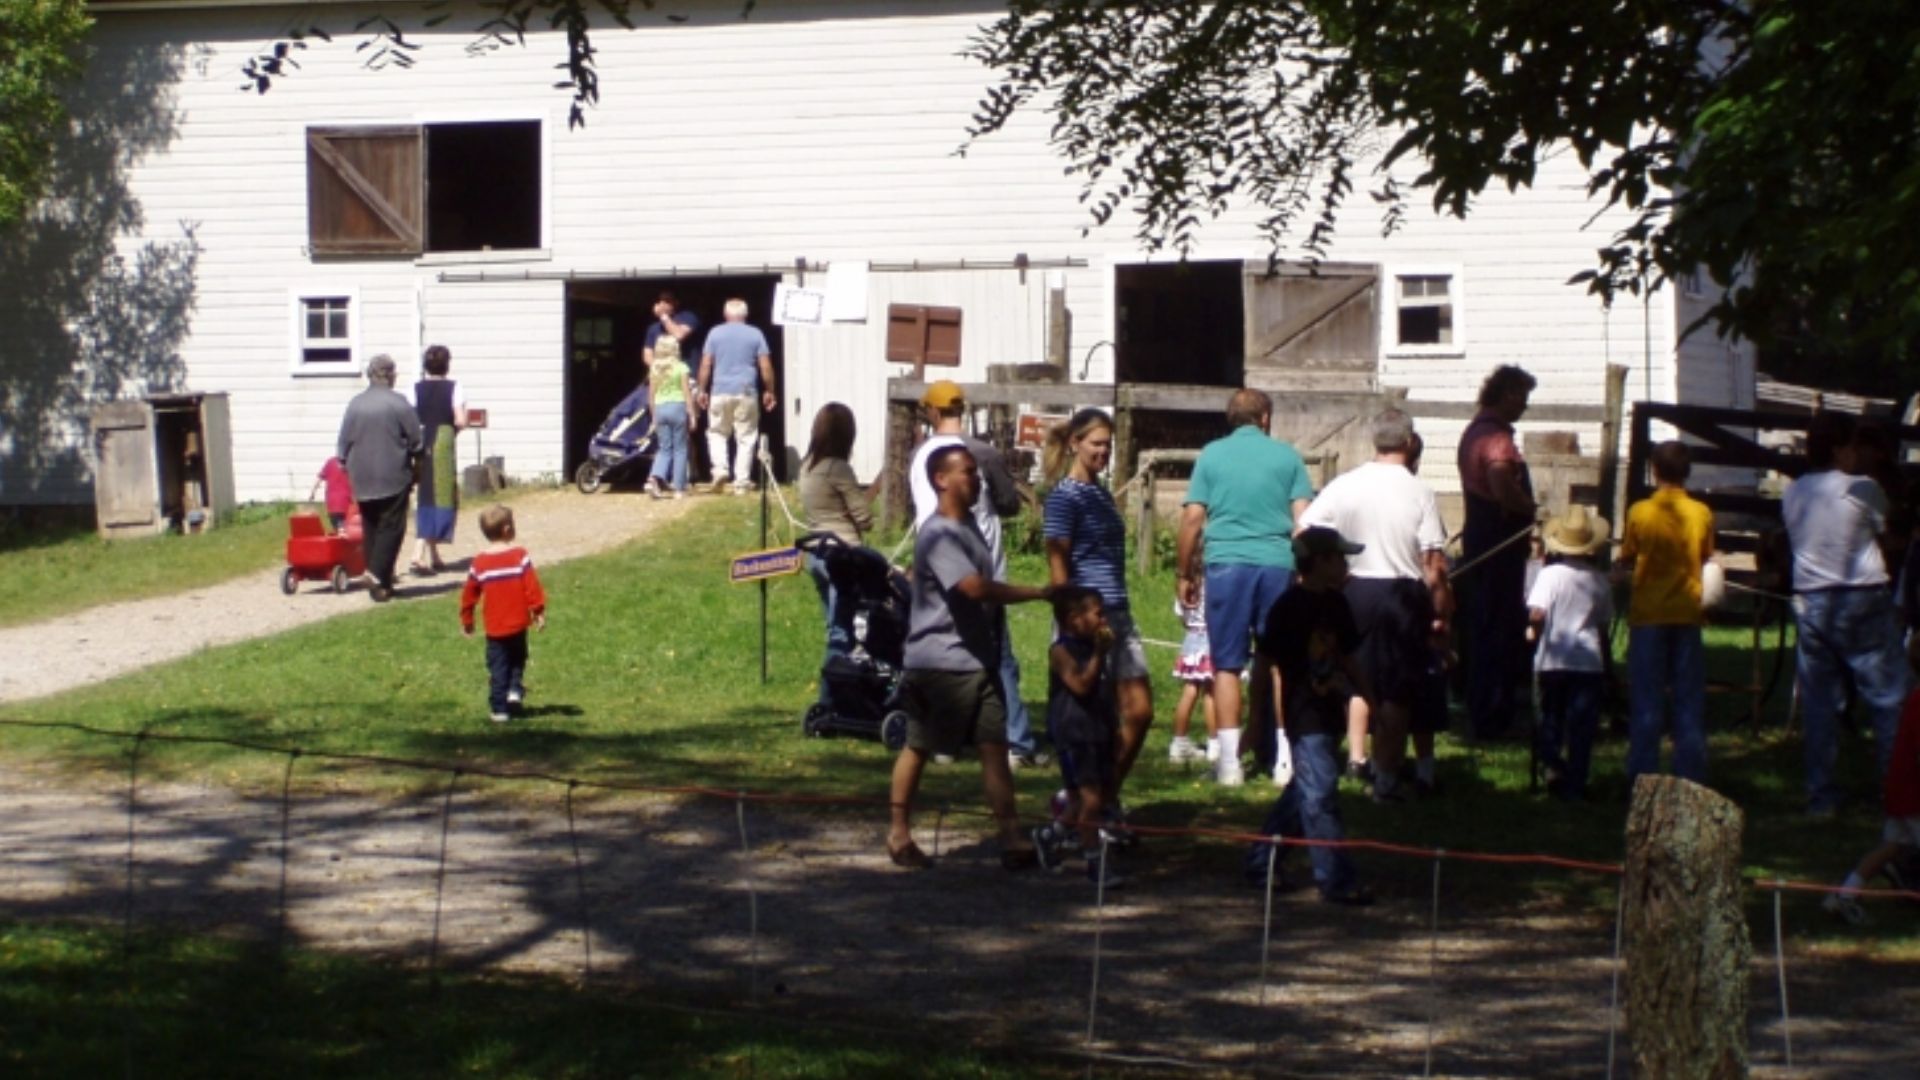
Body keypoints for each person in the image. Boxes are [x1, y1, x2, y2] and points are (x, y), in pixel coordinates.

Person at [886, 444, 1052, 871]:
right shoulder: (938, 533)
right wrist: (1038, 593)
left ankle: (1011, 835)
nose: (975, 479)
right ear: (941, 479)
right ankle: (898, 831)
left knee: (995, 748)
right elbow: (973, 588)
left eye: (976, 473)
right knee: (918, 747)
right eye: (966, 472)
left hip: (979, 660)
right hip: (938, 664)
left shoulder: (971, 527)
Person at [1297, 408, 1452, 801]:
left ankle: (1354, 757)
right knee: (1397, 690)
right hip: (1402, 593)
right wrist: (1441, 610)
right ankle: (1385, 777)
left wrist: (1330, 568)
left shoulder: (1345, 483)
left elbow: (1304, 529)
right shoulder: (1419, 490)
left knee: (1355, 678)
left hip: (1354, 588)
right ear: (1409, 441)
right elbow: (1432, 560)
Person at [1175, 388, 1315, 786]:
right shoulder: (1287, 456)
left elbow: (1192, 519)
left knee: (1227, 664)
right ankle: (1286, 758)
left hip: (1226, 565)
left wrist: (1184, 572)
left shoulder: (1212, 455)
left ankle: (1230, 764)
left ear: (1229, 419)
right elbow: (1304, 520)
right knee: (1281, 662)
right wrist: (1305, 568)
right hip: (1277, 563)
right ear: (1266, 418)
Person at [908, 380, 1044, 768]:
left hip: (934, 563)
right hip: (980, 566)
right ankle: (1016, 740)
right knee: (997, 656)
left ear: (932, 413)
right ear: (961, 410)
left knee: (947, 651)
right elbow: (1009, 502)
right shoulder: (980, 452)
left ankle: (945, 738)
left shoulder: (919, 457)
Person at [1784, 414, 1911, 817]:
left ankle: (1821, 795)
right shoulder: (1863, 488)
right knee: (1888, 697)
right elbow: (1886, 534)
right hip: (1860, 594)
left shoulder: (1794, 491)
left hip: (1810, 599)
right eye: (1852, 446)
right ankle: (1896, 792)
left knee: (1820, 703)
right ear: (1840, 449)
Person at [1244, 526, 1374, 906]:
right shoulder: (1288, 608)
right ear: (1319, 562)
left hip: (1330, 711)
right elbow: (1264, 663)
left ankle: (1260, 861)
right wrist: (1257, 721)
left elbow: (1349, 658)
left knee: (1305, 791)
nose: (1346, 564)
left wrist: (1370, 696)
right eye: (1339, 557)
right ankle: (1336, 878)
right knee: (1320, 797)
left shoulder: (1337, 604)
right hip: (1304, 714)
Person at [1043, 408, 1153, 788]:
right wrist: (1071, 624)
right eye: (1096, 444)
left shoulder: (1101, 494)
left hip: (1117, 612)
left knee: (1139, 712)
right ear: (1075, 443)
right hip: (1084, 618)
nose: (1103, 452)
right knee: (1091, 720)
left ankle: (1103, 797)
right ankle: (1086, 805)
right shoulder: (1063, 498)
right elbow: (1058, 561)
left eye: (1108, 445)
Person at [1614, 441, 1714, 786]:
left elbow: (1628, 554)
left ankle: (1642, 777)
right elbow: (1705, 554)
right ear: (1687, 471)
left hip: (1649, 613)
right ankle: (1691, 776)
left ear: (1654, 470)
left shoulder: (1640, 512)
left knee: (1646, 699)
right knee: (1688, 699)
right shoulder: (1700, 512)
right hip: (1686, 610)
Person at [1457, 365, 1540, 740]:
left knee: (1482, 625)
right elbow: (1501, 485)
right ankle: (1495, 715)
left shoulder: (1476, 431)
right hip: (1498, 543)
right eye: (1522, 398)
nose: (1524, 406)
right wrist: (1530, 509)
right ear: (1507, 394)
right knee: (1499, 629)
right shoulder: (1497, 440)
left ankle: (1482, 710)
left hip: (1480, 539)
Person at [1032, 585, 1127, 889]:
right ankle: (1095, 863)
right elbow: (1081, 686)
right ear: (1074, 618)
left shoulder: (1094, 647)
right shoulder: (1061, 651)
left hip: (1098, 729)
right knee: (1090, 799)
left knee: (1086, 799)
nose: (1104, 621)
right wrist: (1099, 654)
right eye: (1098, 614)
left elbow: (1104, 690)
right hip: (1075, 732)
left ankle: (1049, 836)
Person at [1822, 635, 1920, 925]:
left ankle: (1845, 893)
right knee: (1895, 844)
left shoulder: (1913, 699)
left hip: (1899, 790)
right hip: (1915, 795)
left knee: (1892, 845)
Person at [1528, 505, 1614, 801]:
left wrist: (1534, 633)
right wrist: (1609, 664)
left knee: (1551, 716)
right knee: (1582, 725)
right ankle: (1576, 780)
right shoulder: (1599, 580)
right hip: (1588, 661)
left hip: (1553, 658)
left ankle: (1553, 767)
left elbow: (1537, 613)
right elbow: (1602, 627)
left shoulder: (1549, 576)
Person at [798, 403, 874, 703]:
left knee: (834, 624)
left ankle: (845, 688)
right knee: (844, 630)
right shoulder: (838, 468)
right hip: (844, 555)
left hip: (816, 552)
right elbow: (864, 518)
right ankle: (830, 699)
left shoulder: (807, 467)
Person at [336, 354, 422, 603]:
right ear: (389, 375)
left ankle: (381, 588)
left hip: (360, 476)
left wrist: (344, 465)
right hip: (392, 474)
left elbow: (343, 443)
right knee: (392, 527)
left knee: (371, 526)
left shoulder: (355, 404)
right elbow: (416, 440)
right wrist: (418, 465)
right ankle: (375, 573)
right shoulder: (398, 403)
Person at [459, 505, 548, 723]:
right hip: (518, 623)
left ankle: (500, 709)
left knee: (498, 666)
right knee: (517, 659)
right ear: (507, 529)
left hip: (496, 627)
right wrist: (537, 610)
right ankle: (513, 692)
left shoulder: (480, 563)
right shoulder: (519, 556)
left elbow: (469, 594)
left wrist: (467, 619)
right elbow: (531, 587)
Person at [696, 298, 775, 495]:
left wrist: (701, 390)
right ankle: (741, 481)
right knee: (746, 437)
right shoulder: (756, 334)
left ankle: (720, 470)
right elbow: (765, 366)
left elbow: (706, 364)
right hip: (746, 391)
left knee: (717, 433)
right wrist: (770, 391)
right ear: (745, 315)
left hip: (720, 390)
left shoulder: (715, 333)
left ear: (726, 315)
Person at [409, 344, 468, 575]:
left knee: (425, 493)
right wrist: (451, 431)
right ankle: (418, 552)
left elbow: (410, 418)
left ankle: (433, 555)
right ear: (447, 365)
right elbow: (461, 420)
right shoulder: (455, 387)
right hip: (443, 440)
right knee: (441, 496)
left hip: (422, 440)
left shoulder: (414, 388)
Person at [1168, 558, 1218, 765]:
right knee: (1211, 692)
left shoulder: (1185, 588)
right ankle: (1216, 743)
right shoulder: (1213, 585)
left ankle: (1178, 742)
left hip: (1191, 639)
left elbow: (1182, 617)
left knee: (1189, 690)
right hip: (1211, 638)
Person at [645, 336, 693, 499]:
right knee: (680, 448)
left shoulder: (654, 369)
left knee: (664, 448)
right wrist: (692, 414)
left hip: (660, 408)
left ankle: (654, 477)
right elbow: (687, 392)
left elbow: (651, 395)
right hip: (677, 406)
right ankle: (679, 488)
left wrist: (653, 416)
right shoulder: (681, 367)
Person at [643, 290, 700, 366]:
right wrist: (659, 369)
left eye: (667, 301)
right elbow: (647, 354)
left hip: (685, 374)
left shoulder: (688, 317)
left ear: (676, 302)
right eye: (660, 301)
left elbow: (679, 335)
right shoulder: (653, 328)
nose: (662, 304)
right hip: (661, 375)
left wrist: (662, 316)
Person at [308, 455, 353, 531]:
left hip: (332, 503)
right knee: (346, 530)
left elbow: (319, 479)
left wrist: (312, 493)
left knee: (338, 528)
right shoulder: (351, 462)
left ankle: (340, 531)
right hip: (347, 502)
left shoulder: (330, 462)